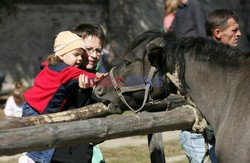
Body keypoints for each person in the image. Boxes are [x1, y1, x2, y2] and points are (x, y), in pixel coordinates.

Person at [18, 30, 98, 163]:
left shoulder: (51, 66)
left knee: (38, 140)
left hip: (31, 106)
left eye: (81, 55)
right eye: (76, 54)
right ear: (61, 54)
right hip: (39, 111)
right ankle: (32, 159)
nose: (80, 58)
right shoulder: (65, 71)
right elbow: (92, 78)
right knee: (48, 140)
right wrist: (113, 80)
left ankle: (31, 156)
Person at [179, 9, 241, 163]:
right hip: (201, 138)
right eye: (234, 30)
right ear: (218, 33)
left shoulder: (231, 59)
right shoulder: (202, 61)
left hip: (223, 134)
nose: (239, 34)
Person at [51, 23, 107, 163]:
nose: (94, 55)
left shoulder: (98, 78)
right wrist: (82, 92)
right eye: (88, 49)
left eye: (98, 50)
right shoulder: (60, 74)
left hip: (82, 151)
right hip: (58, 152)